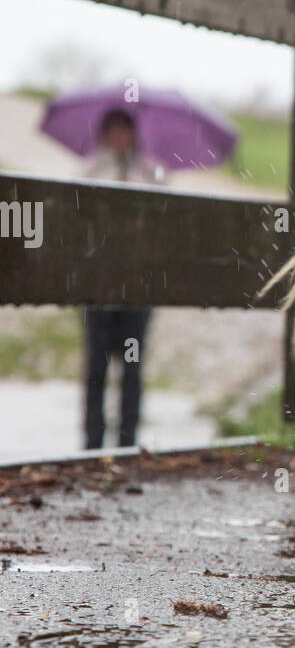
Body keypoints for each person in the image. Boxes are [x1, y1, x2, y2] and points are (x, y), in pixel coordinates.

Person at [82, 109, 163, 449]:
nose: (117, 138)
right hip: (98, 290)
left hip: (136, 290)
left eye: (123, 131)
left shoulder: (148, 171)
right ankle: (92, 442)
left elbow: (161, 221)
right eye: (112, 131)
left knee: (132, 368)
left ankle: (128, 441)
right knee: (96, 368)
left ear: (132, 134)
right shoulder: (90, 171)